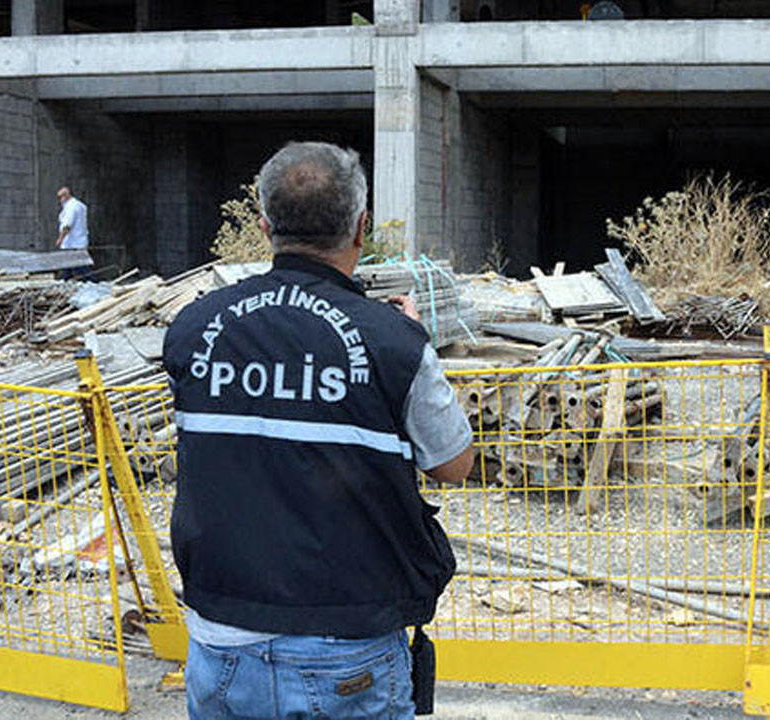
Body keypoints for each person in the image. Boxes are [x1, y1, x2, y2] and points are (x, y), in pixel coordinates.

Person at [163, 142, 474, 720]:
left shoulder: (194, 329)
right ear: (362, 227)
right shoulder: (392, 343)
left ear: (264, 227)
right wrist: (410, 341)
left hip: (221, 641)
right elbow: (453, 464)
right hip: (349, 644)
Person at [55, 186, 94, 280]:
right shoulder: (80, 205)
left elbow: (67, 226)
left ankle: (92, 282)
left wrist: (60, 239)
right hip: (79, 241)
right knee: (73, 267)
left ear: (66, 195)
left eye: (60, 197)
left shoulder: (71, 207)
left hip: (72, 243)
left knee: (80, 268)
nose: (60, 200)